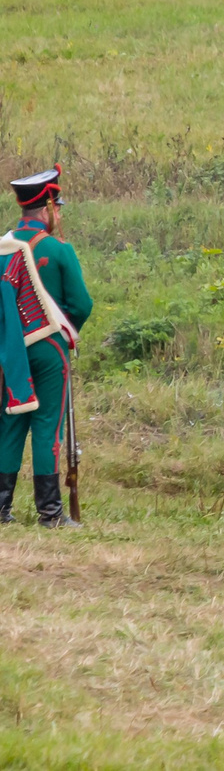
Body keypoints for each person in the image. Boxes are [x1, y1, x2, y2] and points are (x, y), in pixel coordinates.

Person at [0, 169, 91, 528]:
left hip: (9, 353)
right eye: (58, 208)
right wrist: (64, 332)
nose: (59, 215)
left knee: (10, 424)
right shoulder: (57, 249)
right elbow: (81, 305)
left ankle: (1, 509)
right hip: (48, 351)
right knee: (47, 426)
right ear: (47, 208)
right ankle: (50, 513)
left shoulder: (3, 248)